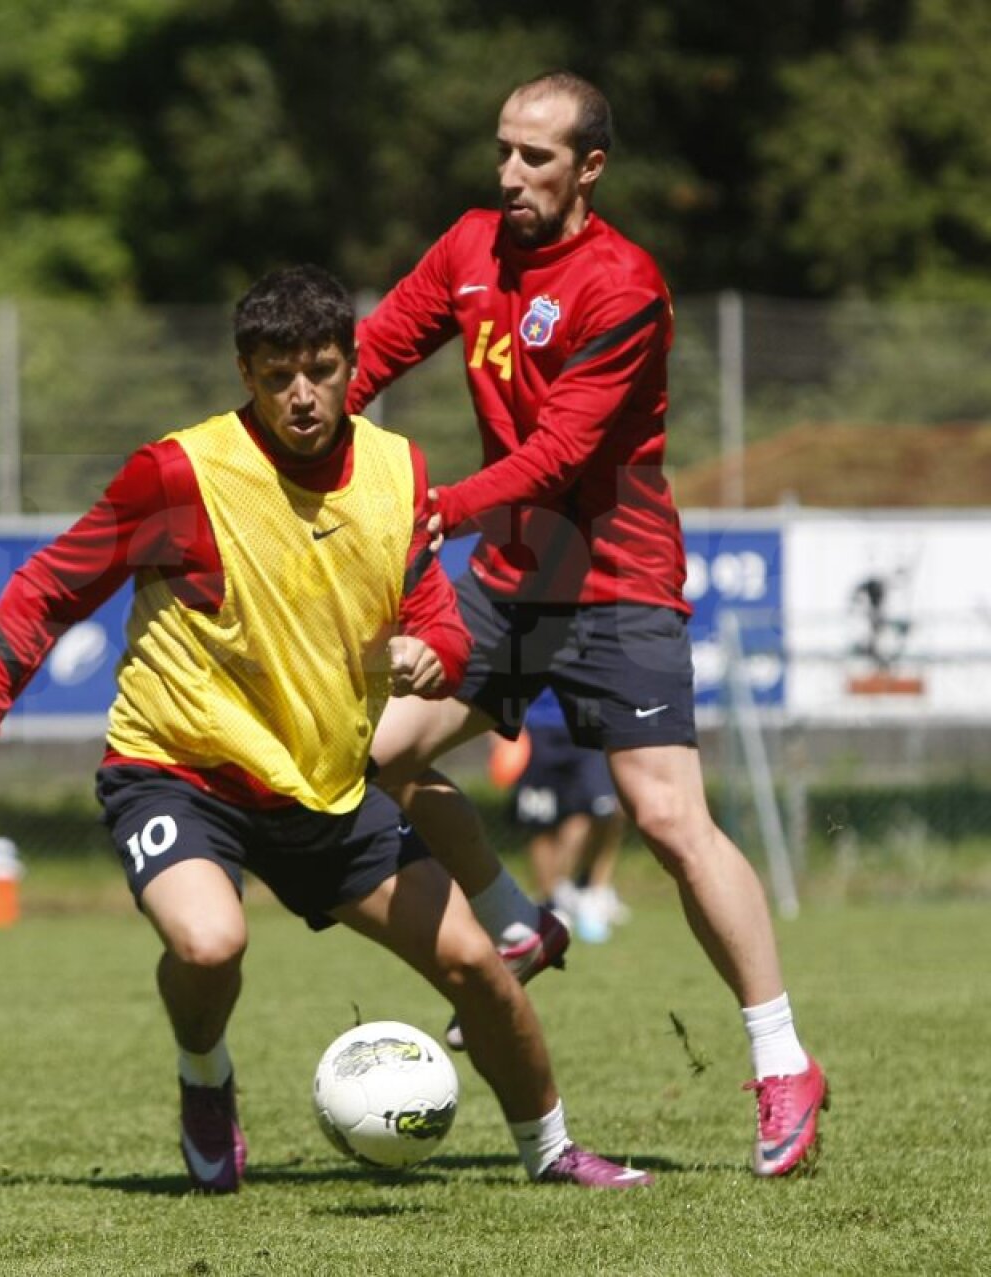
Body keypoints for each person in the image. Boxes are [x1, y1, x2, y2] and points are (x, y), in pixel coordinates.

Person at [0, 265, 652, 1193]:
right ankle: (204, 1074)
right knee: (211, 941)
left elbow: (436, 613)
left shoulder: (397, 471)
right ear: (245, 372)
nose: (302, 395)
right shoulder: (178, 472)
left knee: (476, 962)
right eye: (277, 373)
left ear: (350, 366)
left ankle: (552, 1151)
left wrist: (437, 653)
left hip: (325, 784)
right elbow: (51, 583)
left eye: (322, 370)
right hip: (180, 767)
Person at [347, 72, 828, 1177]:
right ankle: (518, 924)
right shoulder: (469, 246)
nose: (511, 176)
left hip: (615, 576)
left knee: (666, 820)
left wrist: (435, 508)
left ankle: (781, 1056)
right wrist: (302, 441)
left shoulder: (623, 285)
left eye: (539, 159)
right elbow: (374, 354)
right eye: (505, 152)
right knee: (369, 757)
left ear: (591, 168)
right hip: (519, 574)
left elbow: (562, 454)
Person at [510, 688, 629, 947]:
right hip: (534, 725)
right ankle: (552, 903)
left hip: (589, 722)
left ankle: (587, 891)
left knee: (603, 809)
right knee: (539, 821)